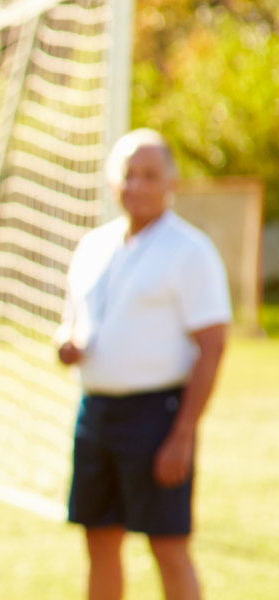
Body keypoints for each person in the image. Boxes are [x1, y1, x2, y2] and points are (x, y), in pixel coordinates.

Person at [57, 129, 229, 600]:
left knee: (168, 545)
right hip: (96, 414)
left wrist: (182, 434)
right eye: (128, 175)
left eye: (149, 175)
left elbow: (213, 345)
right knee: (99, 539)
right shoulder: (93, 246)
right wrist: (67, 345)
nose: (137, 186)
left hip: (158, 416)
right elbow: (74, 321)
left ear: (171, 181)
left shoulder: (190, 251)